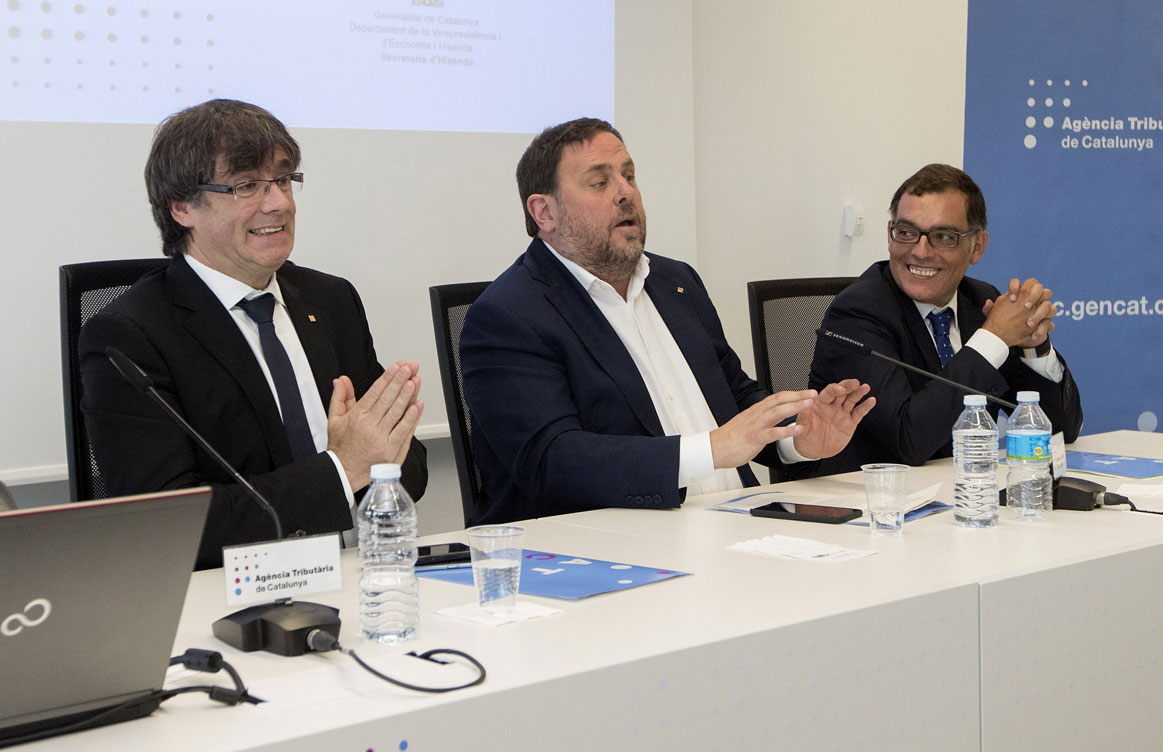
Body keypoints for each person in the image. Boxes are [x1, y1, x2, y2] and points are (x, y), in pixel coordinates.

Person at [460, 118, 875, 526]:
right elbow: (553, 461)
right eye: (600, 182)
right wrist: (710, 450)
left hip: (742, 524)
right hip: (614, 548)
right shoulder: (507, 316)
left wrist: (797, 438)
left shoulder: (676, 281)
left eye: (629, 175)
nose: (626, 193)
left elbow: (732, 394)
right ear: (544, 212)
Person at [79, 99, 427, 569]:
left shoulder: (329, 300)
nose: (279, 202)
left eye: (283, 180)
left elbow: (413, 466)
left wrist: (373, 456)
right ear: (182, 207)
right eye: (246, 186)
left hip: (355, 578)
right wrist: (343, 468)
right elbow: (168, 525)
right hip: (223, 603)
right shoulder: (129, 336)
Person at [808, 163, 1083, 476]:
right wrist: (992, 338)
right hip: (868, 510)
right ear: (890, 234)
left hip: (962, 500)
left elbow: (1061, 431)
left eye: (943, 236)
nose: (921, 251)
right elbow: (908, 441)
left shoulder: (978, 301)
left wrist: (1035, 347)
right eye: (907, 232)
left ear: (976, 246)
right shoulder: (857, 313)